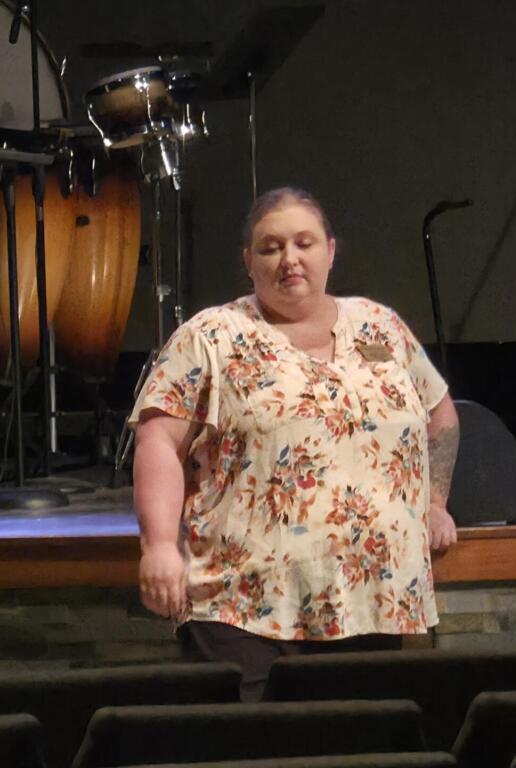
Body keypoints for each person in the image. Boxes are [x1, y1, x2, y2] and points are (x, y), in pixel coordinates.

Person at [131, 187, 460, 700]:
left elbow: (441, 415)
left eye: (304, 243)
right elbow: (158, 440)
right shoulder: (212, 337)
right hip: (248, 607)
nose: (290, 259)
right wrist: (157, 546)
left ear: (330, 250)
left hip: (379, 601)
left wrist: (434, 501)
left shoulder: (382, 326)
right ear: (248, 261)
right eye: (271, 247)